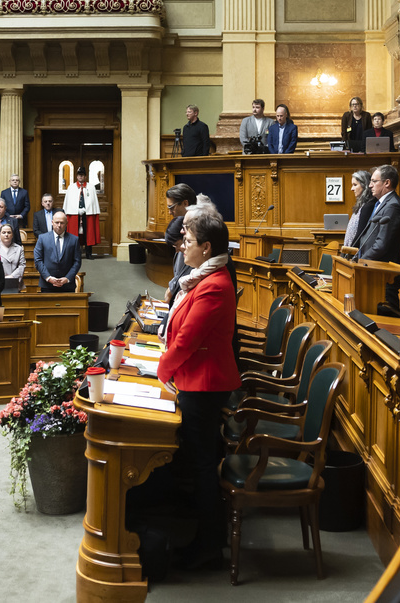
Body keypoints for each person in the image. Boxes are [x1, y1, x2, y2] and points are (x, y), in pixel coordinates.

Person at [155, 208, 239, 570]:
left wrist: (161, 369)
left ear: (206, 248)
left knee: (203, 465)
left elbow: (188, 338)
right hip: (195, 378)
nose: (182, 248)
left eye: (187, 242)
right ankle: (201, 532)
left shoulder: (215, 286)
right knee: (197, 460)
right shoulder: (202, 277)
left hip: (205, 384)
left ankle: (209, 545)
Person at [356, 165, 400, 310]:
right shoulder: (381, 203)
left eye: (374, 181)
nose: (370, 185)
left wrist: (361, 262)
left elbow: (381, 245)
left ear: (387, 183)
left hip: (384, 272)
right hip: (375, 270)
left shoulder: (392, 206)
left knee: (387, 313)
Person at [163, 183, 196, 303]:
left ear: (185, 203)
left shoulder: (198, 230)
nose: (170, 212)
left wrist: (172, 288)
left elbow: (188, 270)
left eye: (171, 207)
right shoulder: (186, 225)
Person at [34, 211, 80, 292]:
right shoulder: (42, 238)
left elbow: (77, 262)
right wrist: (48, 277)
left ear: (66, 223)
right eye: (57, 222)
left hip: (67, 285)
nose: (59, 225)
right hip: (47, 284)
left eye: (62, 223)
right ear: (52, 222)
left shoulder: (74, 240)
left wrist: (67, 278)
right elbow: (38, 260)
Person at [63, 169, 101, 259]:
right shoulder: (71, 187)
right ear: (76, 176)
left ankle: (89, 253)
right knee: (74, 234)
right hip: (74, 213)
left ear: (85, 176)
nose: (80, 177)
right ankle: (76, 254)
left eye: (82, 175)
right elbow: (68, 201)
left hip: (88, 213)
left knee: (88, 233)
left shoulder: (91, 187)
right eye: (79, 175)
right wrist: (76, 209)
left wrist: (86, 209)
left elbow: (93, 201)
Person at [344, 170, 374, 249]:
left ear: (365, 185)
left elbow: (360, 234)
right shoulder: (362, 204)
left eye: (355, 185)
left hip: (355, 252)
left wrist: (349, 252)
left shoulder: (368, 206)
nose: (352, 188)